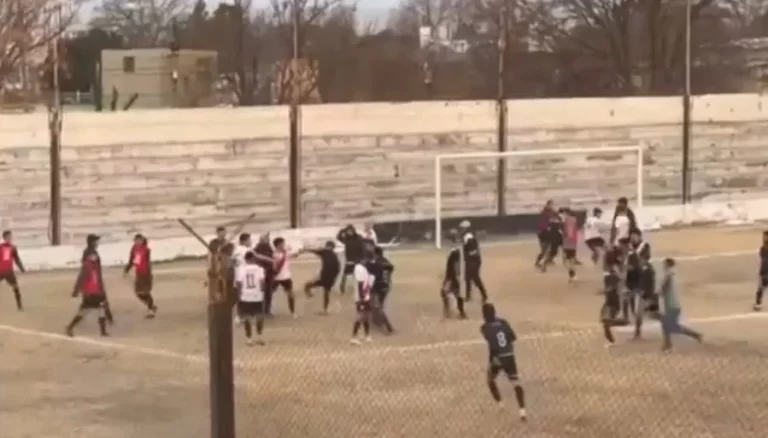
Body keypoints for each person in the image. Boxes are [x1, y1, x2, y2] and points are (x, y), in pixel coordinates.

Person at [480, 303, 527, 422]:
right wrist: (509, 352)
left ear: (484, 315)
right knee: (516, 382)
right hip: (509, 356)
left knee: (490, 380)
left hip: (497, 357)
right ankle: (522, 411)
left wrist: (492, 360)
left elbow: (492, 344)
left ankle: (500, 405)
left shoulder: (485, 327)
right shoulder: (504, 322)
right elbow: (512, 338)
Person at [66, 234, 110, 337]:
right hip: (91, 290)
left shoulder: (93, 263)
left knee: (100, 308)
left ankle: (102, 331)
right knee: (86, 310)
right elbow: (82, 277)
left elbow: (97, 276)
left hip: (96, 289)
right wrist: (76, 290)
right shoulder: (88, 264)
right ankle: (70, 327)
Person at [659, 258, 702, 350]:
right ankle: (667, 344)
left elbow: (663, 290)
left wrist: (658, 294)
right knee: (665, 325)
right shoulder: (673, 275)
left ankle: (695, 335)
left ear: (667, 265)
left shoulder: (668, 275)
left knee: (672, 327)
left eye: (664, 265)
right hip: (673, 305)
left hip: (671, 306)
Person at [626, 229, 658, 338]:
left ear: (639, 236)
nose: (633, 238)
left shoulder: (644, 246)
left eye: (635, 236)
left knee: (641, 306)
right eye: (631, 236)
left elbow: (644, 259)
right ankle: (637, 325)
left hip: (643, 278)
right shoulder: (629, 247)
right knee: (634, 306)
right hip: (632, 278)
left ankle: (637, 329)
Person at [235, 251, 267, 346]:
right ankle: (259, 336)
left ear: (245, 259)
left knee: (247, 318)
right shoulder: (260, 269)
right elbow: (262, 283)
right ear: (254, 259)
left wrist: (239, 295)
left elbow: (239, 283)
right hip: (257, 296)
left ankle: (249, 339)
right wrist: (262, 292)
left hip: (246, 296)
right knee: (259, 317)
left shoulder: (241, 269)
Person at [123, 234, 157, 318]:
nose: (137, 242)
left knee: (145, 292)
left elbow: (148, 263)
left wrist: (149, 275)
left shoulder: (146, 250)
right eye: (136, 240)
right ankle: (151, 306)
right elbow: (131, 260)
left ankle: (150, 311)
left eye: (139, 240)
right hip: (139, 273)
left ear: (142, 241)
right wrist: (126, 270)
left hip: (145, 273)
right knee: (138, 293)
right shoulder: (133, 249)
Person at [600, 245, 628, 347]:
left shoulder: (613, 272)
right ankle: (611, 340)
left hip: (613, 301)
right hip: (611, 300)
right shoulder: (613, 271)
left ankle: (611, 341)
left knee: (606, 321)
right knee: (605, 321)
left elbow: (619, 289)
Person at [302, 241, 341, 314]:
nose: (328, 248)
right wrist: (335, 277)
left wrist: (306, 249)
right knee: (326, 292)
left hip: (325, 276)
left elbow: (314, 251)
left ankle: (310, 295)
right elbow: (338, 267)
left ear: (327, 246)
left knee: (308, 285)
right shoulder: (333, 254)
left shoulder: (325, 251)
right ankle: (325, 309)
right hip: (330, 276)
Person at [459, 220, 487, 302]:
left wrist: (468, 256)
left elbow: (472, 250)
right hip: (472, 260)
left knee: (475, 278)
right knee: (468, 278)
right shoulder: (468, 236)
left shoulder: (468, 237)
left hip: (473, 261)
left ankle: (484, 295)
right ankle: (468, 296)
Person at [441, 232, 467, 319]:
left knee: (446, 292)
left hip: (452, 276)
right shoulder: (454, 250)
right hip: (452, 275)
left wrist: (455, 276)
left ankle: (450, 312)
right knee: (455, 294)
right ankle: (460, 312)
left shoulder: (454, 251)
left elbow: (455, 265)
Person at [369, 246, 395, 334]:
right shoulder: (387, 263)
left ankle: (389, 327)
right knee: (379, 304)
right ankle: (376, 321)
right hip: (386, 287)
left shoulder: (375, 264)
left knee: (377, 307)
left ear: (375, 254)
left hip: (377, 287)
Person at [350, 254, 374, 345]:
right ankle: (354, 337)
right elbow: (360, 284)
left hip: (365, 296)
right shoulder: (359, 269)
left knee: (366, 317)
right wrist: (362, 298)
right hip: (362, 297)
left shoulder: (362, 268)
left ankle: (367, 335)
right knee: (360, 317)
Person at [0, 230, 25, 311]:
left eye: (10, 236)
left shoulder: (13, 248)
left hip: (9, 272)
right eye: (8, 237)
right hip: (0, 271)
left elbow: (16, 259)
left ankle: (19, 305)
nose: (10, 238)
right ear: (4, 238)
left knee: (16, 288)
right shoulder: (0, 247)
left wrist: (21, 268)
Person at [272, 237, 297, 317]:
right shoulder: (274, 254)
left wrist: (299, 251)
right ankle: (269, 310)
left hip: (286, 277)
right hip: (276, 277)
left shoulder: (285, 252)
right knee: (270, 294)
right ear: (278, 245)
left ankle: (292, 312)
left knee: (291, 295)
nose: (284, 245)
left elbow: (294, 255)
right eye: (283, 243)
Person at [337, 224, 364, 295]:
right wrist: (343, 230)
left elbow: (363, 246)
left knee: (359, 276)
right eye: (348, 231)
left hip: (358, 260)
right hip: (349, 261)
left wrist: (362, 258)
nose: (349, 232)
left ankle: (361, 289)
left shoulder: (359, 238)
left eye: (351, 231)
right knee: (345, 275)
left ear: (353, 231)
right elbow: (338, 237)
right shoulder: (346, 239)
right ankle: (342, 289)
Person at [254, 233, 275, 316]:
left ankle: (265, 310)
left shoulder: (264, 247)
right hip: (264, 273)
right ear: (262, 239)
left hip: (266, 273)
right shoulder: (260, 248)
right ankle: (265, 310)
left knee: (265, 292)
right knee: (266, 292)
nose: (269, 239)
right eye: (267, 238)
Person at [534, 200, 557, 269]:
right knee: (544, 250)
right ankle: (538, 262)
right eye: (550, 205)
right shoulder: (545, 213)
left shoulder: (552, 212)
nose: (551, 206)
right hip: (543, 234)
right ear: (548, 205)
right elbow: (543, 224)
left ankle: (548, 260)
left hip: (549, 233)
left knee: (552, 248)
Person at [561, 208, 579, 282]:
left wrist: (568, 237)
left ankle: (573, 275)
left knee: (566, 261)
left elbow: (570, 231)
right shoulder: (572, 220)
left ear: (567, 213)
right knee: (570, 260)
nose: (563, 215)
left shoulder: (569, 220)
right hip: (572, 243)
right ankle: (572, 275)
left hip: (568, 243)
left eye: (563, 214)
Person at [753, 231, 768, 311]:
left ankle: (758, 304)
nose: (764, 238)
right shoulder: (763, 249)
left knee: (760, 289)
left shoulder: (763, 249)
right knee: (760, 289)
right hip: (763, 272)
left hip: (764, 272)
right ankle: (758, 304)